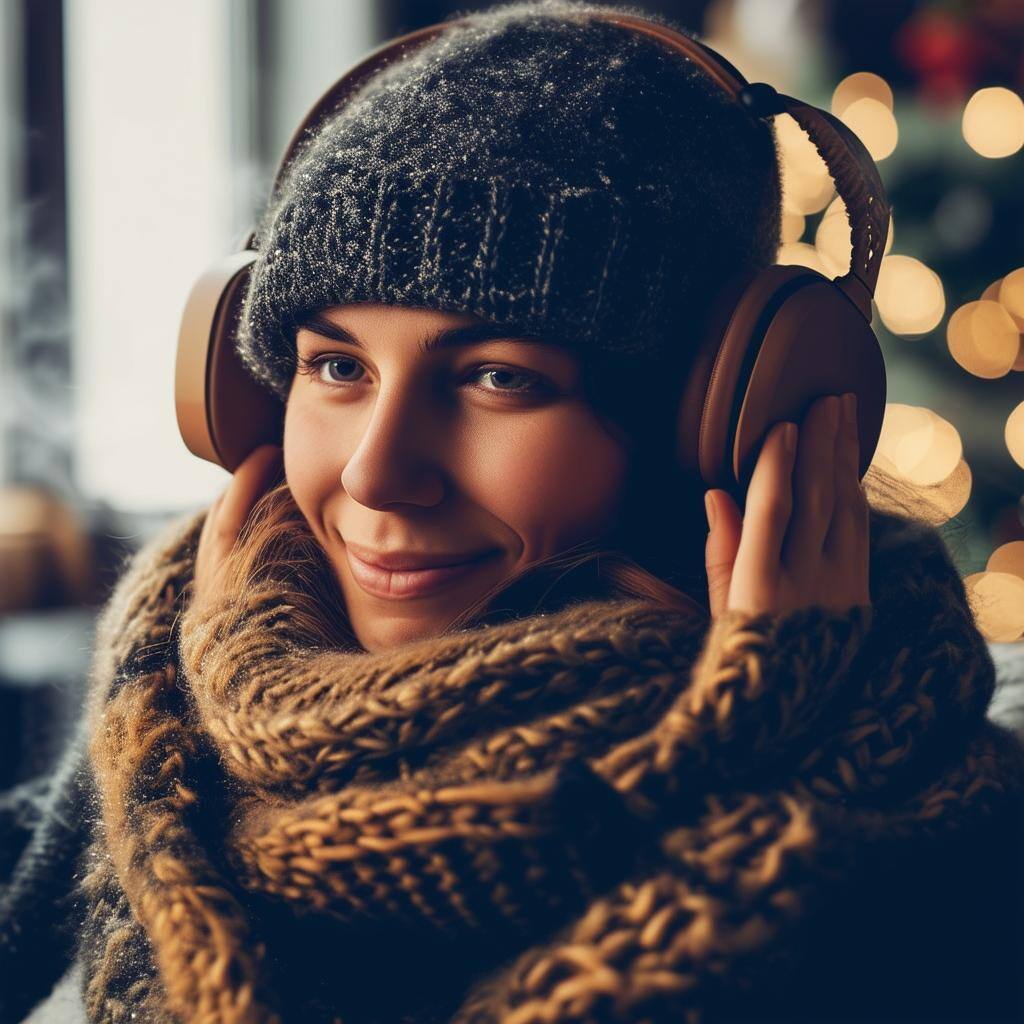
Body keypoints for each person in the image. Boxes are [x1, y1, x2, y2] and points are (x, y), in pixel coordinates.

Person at [3, 2, 1023, 1022]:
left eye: (498, 377)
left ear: (716, 419)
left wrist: (767, 741)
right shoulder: (162, 718)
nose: (374, 474)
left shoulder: (943, 854)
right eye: (334, 365)